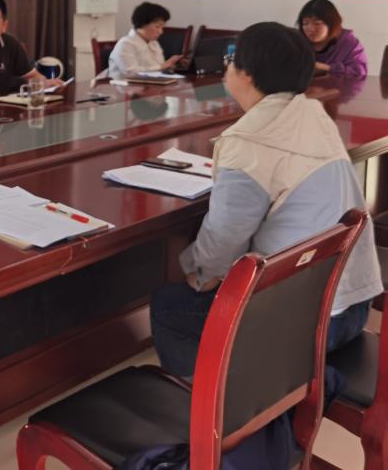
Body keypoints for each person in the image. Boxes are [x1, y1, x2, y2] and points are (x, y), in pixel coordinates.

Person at [149, 23, 382, 377]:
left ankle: (224, 401)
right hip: (354, 305)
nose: (228, 67)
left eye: (231, 59)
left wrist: (200, 277)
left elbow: (224, 237)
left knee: (170, 305)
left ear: (247, 73)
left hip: (309, 323)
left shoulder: (252, 141)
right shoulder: (313, 116)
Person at [107, 2, 183, 78]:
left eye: (162, 27)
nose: (161, 31)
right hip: (122, 84)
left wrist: (173, 65)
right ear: (142, 24)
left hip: (151, 83)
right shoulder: (125, 44)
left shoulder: (154, 43)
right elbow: (131, 73)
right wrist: (162, 66)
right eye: (157, 26)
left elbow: (158, 69)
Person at [297, 0, 368, 78]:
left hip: (340, 86)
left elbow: (360, 73)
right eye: (305, 23)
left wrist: (327, 68)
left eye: (317, 23)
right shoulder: (297, 43)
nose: (310, 29)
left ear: (332, 24)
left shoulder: (349, 43)